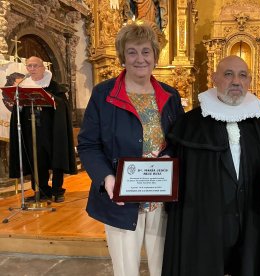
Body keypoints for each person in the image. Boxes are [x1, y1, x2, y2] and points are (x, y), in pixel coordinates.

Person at [162, 55, 260, 276]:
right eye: (228, 74)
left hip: (253, 217)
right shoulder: (191, 122)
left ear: (250, 81)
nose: (236, 81)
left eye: (242, 75)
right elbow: (173, 158)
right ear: (214, 79)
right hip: (205, 222)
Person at [77, 22, 184, 276]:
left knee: (164, 267)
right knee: (126, 270)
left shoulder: (170, 95)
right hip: (121, 198)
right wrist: (107, 178)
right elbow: (88, 144)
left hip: (161, 199)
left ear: (155, 56)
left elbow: (179, 141)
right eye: (132, 52)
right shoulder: (104, 94)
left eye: (146, 51)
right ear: (122, 57)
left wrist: (168, 157)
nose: (140, 59)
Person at [8, 56, 77, 203]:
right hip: (31, 130)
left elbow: (63, 105)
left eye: (35, 66)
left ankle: (57, 190)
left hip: (52, 130)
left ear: (43, 68)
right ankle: (41, 190)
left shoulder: (54, 86)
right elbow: (18, 108)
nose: (32, 69)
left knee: (56, 158)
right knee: (36, 160)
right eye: (29, 66)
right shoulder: (23, 85)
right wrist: (19, 104)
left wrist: (51, 98)